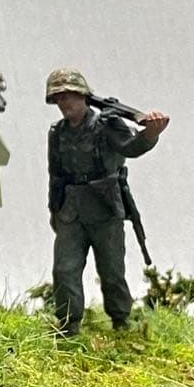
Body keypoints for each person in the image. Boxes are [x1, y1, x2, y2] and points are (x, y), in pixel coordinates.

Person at [45, 67, 170, 335]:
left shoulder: (106, 124)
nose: (63, 102)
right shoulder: (57, 132)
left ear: (82, 95)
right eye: (58, 98)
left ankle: (121, 322)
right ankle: (68, 327)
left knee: (112, 270)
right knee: (64, 270)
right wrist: (54, 209)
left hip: (104, 207)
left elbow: (131, 147)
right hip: (70, 211)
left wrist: (150, 133)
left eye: (68, 95)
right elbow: (55, 174)